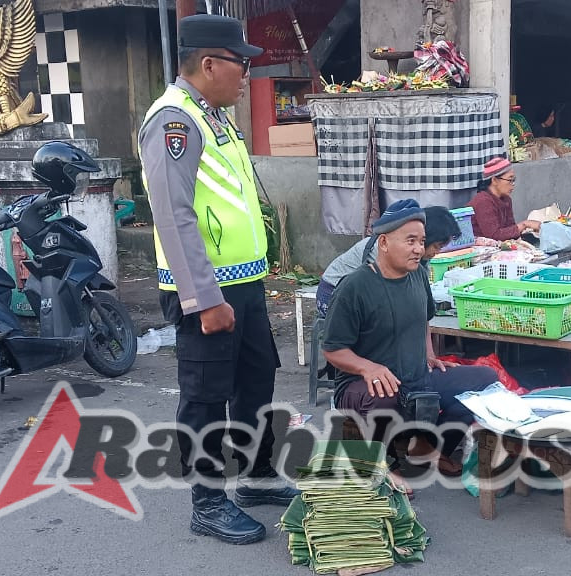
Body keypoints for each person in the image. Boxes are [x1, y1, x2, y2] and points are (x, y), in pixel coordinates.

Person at [138, 14, 294, 546]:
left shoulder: (213, 116)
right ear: (209, 64)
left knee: (256, 382)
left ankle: (257, 476)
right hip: (207, 290)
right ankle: (207, 501)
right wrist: (203, 298)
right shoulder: (173, 121)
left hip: (242, 284)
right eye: (240, 63)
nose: (246, 74)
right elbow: (174, 215)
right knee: (205, 397)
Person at [322, 202, 497, 476]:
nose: (418, 248)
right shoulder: (354, 287)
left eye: (422, 241)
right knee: (384, 393)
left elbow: (424, 320)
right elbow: (332, 350)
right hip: (363, 385)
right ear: (383, 243)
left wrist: (430, 356)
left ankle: (425, 445)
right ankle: (379, 464)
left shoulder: (418, 275)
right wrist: (369, 368)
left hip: (416, 376)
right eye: (410, 241)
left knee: (485, 380)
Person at [316, 204, 460, 317]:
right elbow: (387, 291)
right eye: (437, 246)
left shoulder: (419, 255)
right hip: (333, 293)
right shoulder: (384, 250)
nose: (437, 252)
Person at [468, 157, 538, 241]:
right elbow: (494, 235)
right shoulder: (483, 201)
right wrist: (524, 225)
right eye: (510, 180)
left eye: (514, 180)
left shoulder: (506, 199)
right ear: (494, 180)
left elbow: (510, 229)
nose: (513, 184)